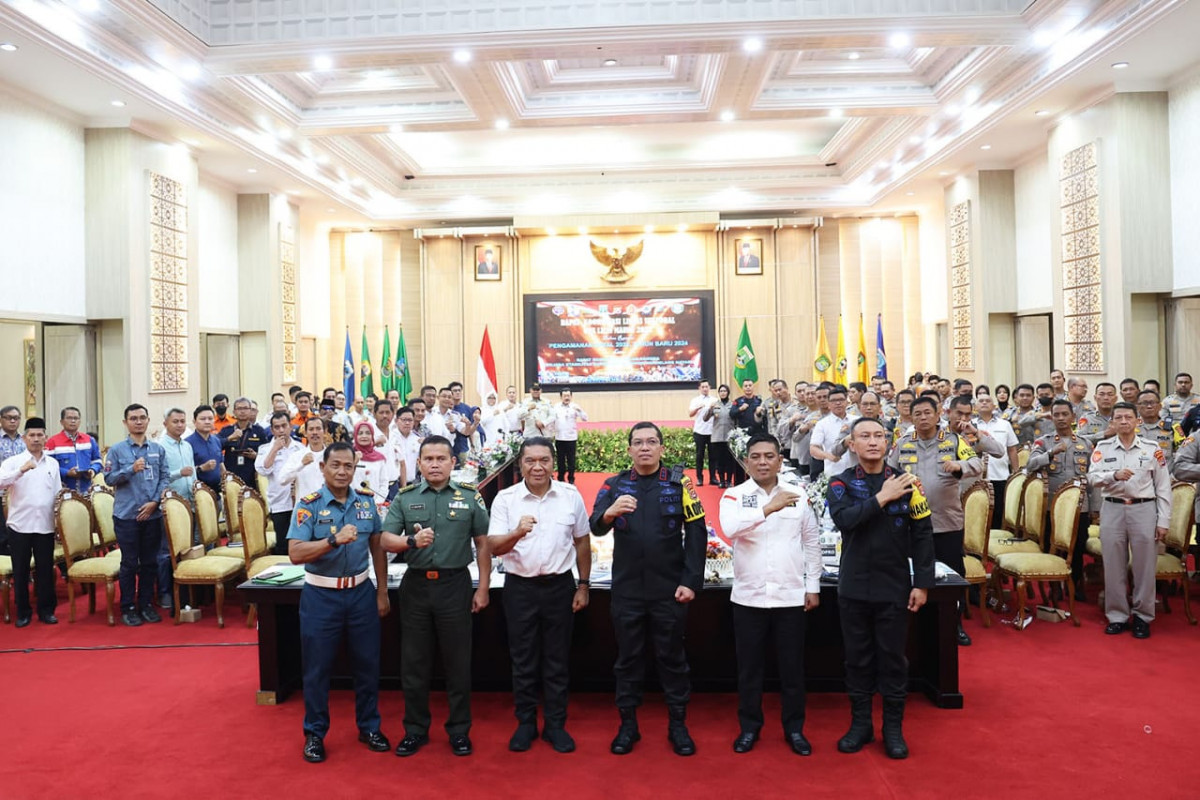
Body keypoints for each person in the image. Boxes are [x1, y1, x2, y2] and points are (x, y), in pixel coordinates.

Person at [589, 422, 707, 756]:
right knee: (628, 660)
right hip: (626, 590)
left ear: (661, 448)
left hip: (669, 590)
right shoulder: (614, 485)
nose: (644, 448)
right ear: (628, 450)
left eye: (651, 442)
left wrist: (690, 580)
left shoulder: (679, 482)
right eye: (638, 443)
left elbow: (697, 532)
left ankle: (678, 726)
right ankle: (628, 727)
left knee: (672, 660)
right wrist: (609, 513)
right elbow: (595, 526)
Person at [828, 417, 935, 760]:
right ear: (852, 444)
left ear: (888, 442)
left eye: (878, 436)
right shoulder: (839, 484)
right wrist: (882, 498)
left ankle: (892, 728)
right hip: (854, 585)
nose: (873, 442)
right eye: (865, 436)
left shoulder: (908, 483)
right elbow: (844, 520)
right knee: (857, 659)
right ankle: (860, 725)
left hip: (894, 585)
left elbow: (922, 536)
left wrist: (922, 582)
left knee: (892, 659)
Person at [381, 436, 491, 758]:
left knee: (458, 662)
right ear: (419, 464)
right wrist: (411, 542)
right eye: (428, 459)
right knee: (413, 663)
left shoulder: (470, 497)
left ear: (452, 463)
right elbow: (386, 540)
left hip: (454, 586)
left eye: (441, 458)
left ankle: (459, 731)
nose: (434, 464)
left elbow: (483, 543)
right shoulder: (405, 498)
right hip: (416, 587)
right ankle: (415, 730)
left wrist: (482, 588)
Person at [487, 437, 592, 753]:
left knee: (557, 659)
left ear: (553, 463)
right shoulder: (506, 499)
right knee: (523, 659)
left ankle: (556, 725)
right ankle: (526, 723)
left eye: (544, 460)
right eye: (530, 460)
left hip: (560, 587)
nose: (537, 467)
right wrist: (518, 532)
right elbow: (494, 547)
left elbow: (583, 542)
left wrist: (584, 584)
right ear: (520, 464)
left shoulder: (570, 496)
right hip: (520, 589)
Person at [288, 441, 390, 763]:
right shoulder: (309, 505)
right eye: (336, 466)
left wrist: (382, 591)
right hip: (321, 595)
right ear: (322, 468)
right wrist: (332, 541)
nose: (343, 472)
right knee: (317, 669)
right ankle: (315, 734)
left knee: (368, 665)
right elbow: (295, 553)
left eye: (349, 466)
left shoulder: (366, 503)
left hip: (361, 592)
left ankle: (369, 726)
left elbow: (377, 547)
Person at [719, 433, 820, 756]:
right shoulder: (733, 496)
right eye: (756, 457)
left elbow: (812, 542)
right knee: (749, 669)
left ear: (780, 460)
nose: (762, 462)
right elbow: (730, 530)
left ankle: (794, 729)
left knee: (792, 669)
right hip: (749, 598)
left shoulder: (799, 495)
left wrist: (813, 586)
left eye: (769, 456)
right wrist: (767, 509)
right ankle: (749, 727)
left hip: (791, 596)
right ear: (746, 461)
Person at [888, 396, 981, 646]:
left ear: (938, 413)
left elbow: (976, 463)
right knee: (912, 573)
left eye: (927, 413)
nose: (922, 417)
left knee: (951, 575)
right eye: (917, 413)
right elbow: (889, 471)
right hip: (911, 523)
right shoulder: (904, 442)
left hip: (946, 521)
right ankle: (916, 622)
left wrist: (958, 465)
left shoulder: (953, 441)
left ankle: (955, 624)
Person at [1088, 402, 1172, 639]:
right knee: (1113, 566)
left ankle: (1143, 616)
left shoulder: (1152, 448)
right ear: (1112, 422)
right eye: (1119, 418)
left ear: (1137, 421)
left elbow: (1163, 487)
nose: (1123, 421)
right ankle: (1117, 615)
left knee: (1144, 567)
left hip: (1144, 509)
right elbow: (1092, 478)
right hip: (1113, 509)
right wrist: (1112, 475)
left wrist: (1163, 520)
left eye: (1128, 417)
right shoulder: (1103, 448)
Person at [104, 404, 171, 627]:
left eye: (142, 417)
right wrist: (130, 469)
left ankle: (146, 604)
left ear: (148, 420)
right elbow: (109, 479)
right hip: (127, 516)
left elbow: (165, 477)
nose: (138, 422)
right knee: (130, 563)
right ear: (125, 423)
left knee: (150, 562)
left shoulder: (157, 449)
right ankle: (128, 607)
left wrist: (154, 503)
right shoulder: (116, 450)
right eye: (133, 418)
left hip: (152, 514)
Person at [1025, 400, 1094, 597]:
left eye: (1065, 414)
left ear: (1073, 417)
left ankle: (1076, 584)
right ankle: (1055, 585)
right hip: (1052, 506)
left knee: (1078, 545)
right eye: (1057, 415)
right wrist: (1050, 453)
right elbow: (1030, 465)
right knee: (1051, 545)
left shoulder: (1085, 444)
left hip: (1080, 506)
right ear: (1052, 417)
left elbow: (1093, 476)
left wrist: (1095, 507)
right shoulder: (1044, 441)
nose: (1061, 418)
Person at [0, 417, 62, 626]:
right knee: (21, 570)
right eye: (32, 435)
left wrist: (59, 522)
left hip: (45, 525)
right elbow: (1, 483)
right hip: (20, 525)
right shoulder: (13, 462)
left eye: (40, 435)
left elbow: (57, 494)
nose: (36, 439)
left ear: (45, 437)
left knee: (45, 569)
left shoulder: (52, 463)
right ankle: (23, 612)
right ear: (25, 438)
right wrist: (21, 470)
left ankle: (46, 610)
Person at [256, 411, 308, 555]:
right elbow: (263, 470)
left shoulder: (301, 449)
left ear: (290, 427)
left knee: (302, 542)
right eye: (276, 427)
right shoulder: (265, 449)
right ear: (272, 430)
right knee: (283, 546)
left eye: (284, 426)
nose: (281, 430)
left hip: (300, 501)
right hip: (280, 504)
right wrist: (275, 449)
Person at [973, 395, 1019, 529]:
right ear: (975, 407)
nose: (984, 403)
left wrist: (1015, 472)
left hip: (1000, 475)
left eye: (988, 401)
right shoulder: (971, 425)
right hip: (977, 477)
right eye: (981, 401)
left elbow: (1012, 449)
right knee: (978, 513)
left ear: (994, 406)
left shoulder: (1004, 424)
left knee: (998, 512)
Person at [46, 406, 102, 494]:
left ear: (80, 421)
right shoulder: (52, 442)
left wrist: (93, 470)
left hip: (86, 490)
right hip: (63, 491)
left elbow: (97, 460)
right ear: (61, 422)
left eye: (76, 418)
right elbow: (48, 466)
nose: (73, 421)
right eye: (69, 418)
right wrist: (67, 473)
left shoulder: (89, 440)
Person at [220, 396, 269, 485]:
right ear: (234, 411)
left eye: (245, 408)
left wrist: (256, 456)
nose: (242, 411)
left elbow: (267, 453)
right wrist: (230, 438)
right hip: (232, 477)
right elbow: (216, 446)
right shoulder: (226, 430)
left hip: (252, 477)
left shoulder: (259, 431)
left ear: (250, 411)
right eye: (239, 408)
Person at [810, 387, 857, 475]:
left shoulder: (857, 420)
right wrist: (828, 456)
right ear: (829, 404)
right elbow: (813, 449)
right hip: (834, 473)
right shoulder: (822, 424)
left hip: (856, 471)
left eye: (841, 399)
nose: (838, 403)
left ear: (847, 402)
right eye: (834, 400)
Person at [281, 418, 329, 502]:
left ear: (325, 431)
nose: (315, 432)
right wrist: (301, 464)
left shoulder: (332, 456)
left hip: (327, 507)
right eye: (311, 429)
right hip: (304, 508)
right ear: (305, 433)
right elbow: (282, 480)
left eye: (318, 429)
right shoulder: (297, 456)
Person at [0, 405, 27, 555]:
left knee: (20, 533)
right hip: (1, 492)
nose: (12, 421)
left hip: (21, 494)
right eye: (8, 418)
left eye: (16, 418)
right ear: (1, 419)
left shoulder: (25, 440)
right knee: (2, 534)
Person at [551, 389, 588, 484]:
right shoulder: (556, 407)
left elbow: (585, 418)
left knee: (571, 460)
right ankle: (561, 478)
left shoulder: (575, 406)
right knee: (560, 460)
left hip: (571, 438)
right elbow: (551, 420)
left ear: (571, 396)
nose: (566, 398)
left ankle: (571, 479)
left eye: (568, 396)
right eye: (564, 396)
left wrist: (580, 410)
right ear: (561, 397)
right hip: (559, 437)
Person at [187, 405, 224, 494]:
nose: (207, 422)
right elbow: (184, 472)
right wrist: (202, 468)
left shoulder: (216, 440)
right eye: (203, 419)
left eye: (210, 418)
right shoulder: (187, 443)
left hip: (217, 492)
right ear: (194, 422)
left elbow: (221, 465)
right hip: (198, 493)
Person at [687, 380, 718, 485]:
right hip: (699, 431)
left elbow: (718, 414)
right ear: (699, 388)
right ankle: (699, 478)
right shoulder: (695, 400)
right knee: (699, 455)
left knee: (713, 456)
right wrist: (698, 407)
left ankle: (713, 478)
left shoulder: (714, 400)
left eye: (706, 387)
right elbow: (690, 414)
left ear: (709, 387)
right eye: (703, 387)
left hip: (712, 431)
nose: (705, 389)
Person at [707, 384, 735, 487]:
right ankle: (722, 481)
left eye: (725, 391)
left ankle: (728, 481)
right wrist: (710, 409)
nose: (723, 393)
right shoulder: (715, 405)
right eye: (721, 391)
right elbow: (705, 418)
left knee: (729, 460)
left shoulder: (732, 405)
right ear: (718, 393)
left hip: (729, 437)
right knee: (719, 461)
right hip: (717, 437)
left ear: (728, 392)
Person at [353, 421, 391, 497]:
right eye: (360, 433)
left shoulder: (380, 458)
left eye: (368, 433)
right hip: (353, 503)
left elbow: (384, 482)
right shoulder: (349, 456)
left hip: (375, 502)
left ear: (372, 436)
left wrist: (378, 501)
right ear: (355, 436)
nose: (364, 436)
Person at [1076, 382, 1117, 447]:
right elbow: (1078, 439)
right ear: (1095, 398)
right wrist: (1103, 434)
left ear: (1116, 398)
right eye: (1102, 394)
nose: (1106, 398)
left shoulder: (1122, 418)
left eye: (1110, 394)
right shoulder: (1086, 418)